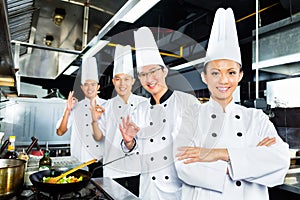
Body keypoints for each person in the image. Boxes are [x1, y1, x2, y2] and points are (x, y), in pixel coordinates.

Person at [174, 8, 290, 200]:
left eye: (231, 72)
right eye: (215, 73)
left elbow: (280, 160)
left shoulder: (256, 118)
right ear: (204, 77)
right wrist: (248, 159)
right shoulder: (189, 117)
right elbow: (184, 167)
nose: (223, 80)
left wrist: (218, 154)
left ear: (240, 76)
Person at [119, 27, 200, 199]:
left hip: (178, 188)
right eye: (143, 74)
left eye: (153, 71)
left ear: (164, 71)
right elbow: (133, 151)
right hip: (149, 188)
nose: (149, 79)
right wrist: (129, 142)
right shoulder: (140, 110)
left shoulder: (187, 102)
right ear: (139, 79)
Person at [90, 44, 147, 196]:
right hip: (112, 167)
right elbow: (98, 136)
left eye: (126, 79)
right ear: (114, 81)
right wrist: (94, 120)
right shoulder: (106, 106)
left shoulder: (144, 104)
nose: (122, 84)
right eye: (118, 79)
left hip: (137, 168)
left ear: (133, 81)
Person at [56, 57, 106, 177]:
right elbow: (60, 132)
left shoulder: (106, 106)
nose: (89, 88)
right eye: (86, 85)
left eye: (93, 84)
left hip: (98, 163)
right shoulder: (75, 106)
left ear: (98, 87)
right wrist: (68, 110)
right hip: (78, 163)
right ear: (82, 87)